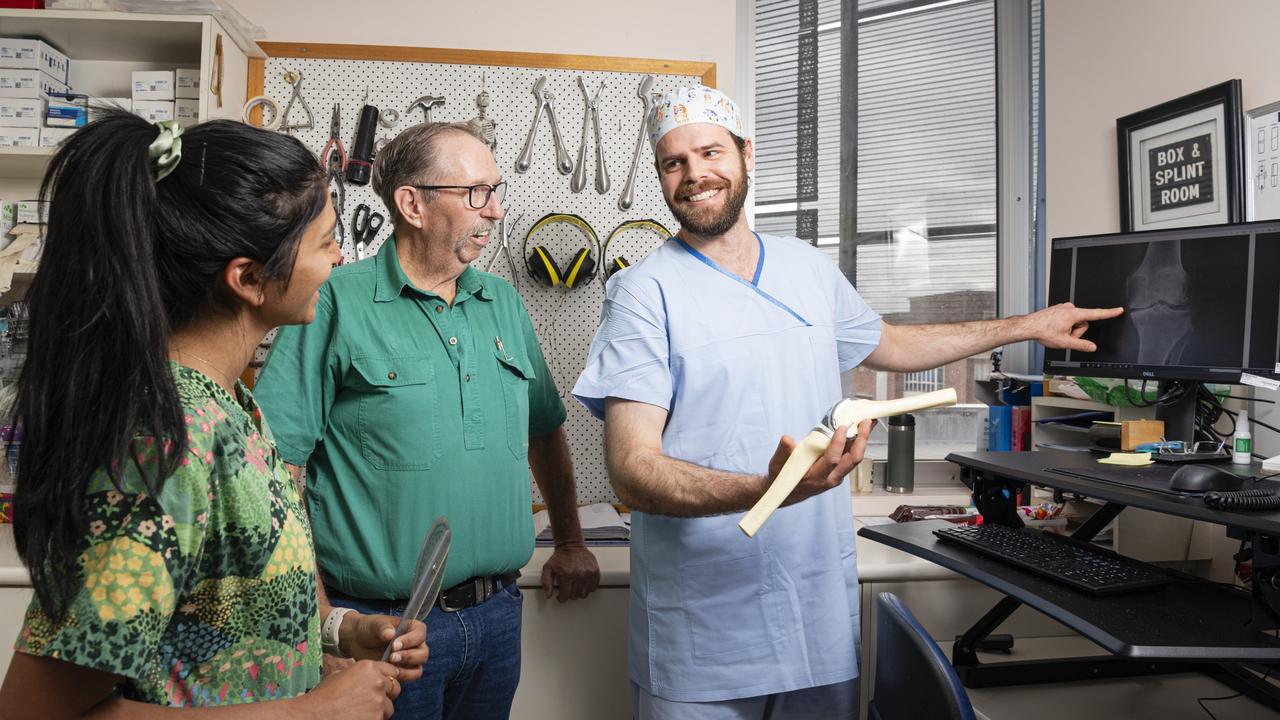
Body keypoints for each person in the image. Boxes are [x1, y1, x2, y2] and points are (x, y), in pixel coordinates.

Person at [572, 86, 1123, 719]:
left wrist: (1026, 325)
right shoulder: (643, 294)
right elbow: (632, 471)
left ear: (746, 155)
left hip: (813, 617)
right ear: (661, 176)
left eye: (710, 152)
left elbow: (889, 342)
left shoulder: (806, 267)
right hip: (704, 633)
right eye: (675, 163)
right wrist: (767, 489)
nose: (695, 175)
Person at [0, 112, 429, 718]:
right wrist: (310, 712)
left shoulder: (231, 406)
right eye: (326, 240)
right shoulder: (166, 444)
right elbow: (34, 712)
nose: (340, 258)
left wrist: (339, 632)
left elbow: (224, 603)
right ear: (250, 279)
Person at [254, 120, 600, 719]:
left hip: (497, 619)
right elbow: (275, 468)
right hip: (387, 626)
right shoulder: (334, 300)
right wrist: (325, 625)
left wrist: (570, 540)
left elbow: (545, 426)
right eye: (476, 193)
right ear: (411, 203)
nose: (493, 211)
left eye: (495, 191)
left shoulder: (504, 302)